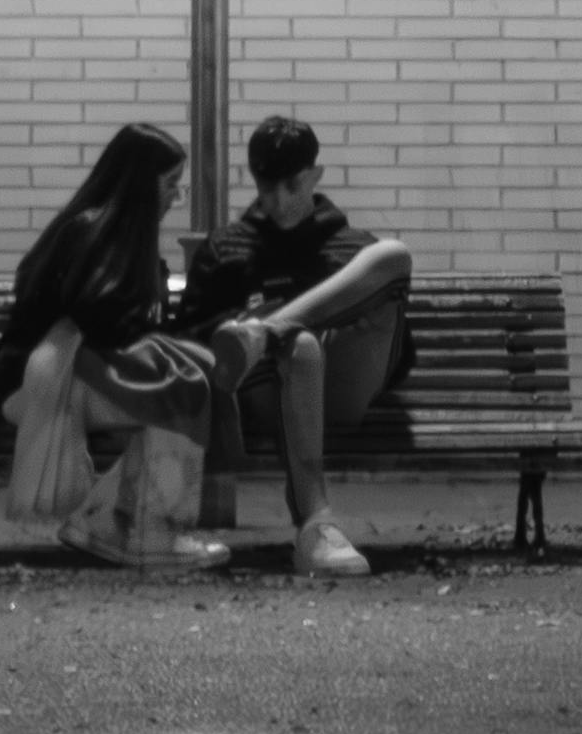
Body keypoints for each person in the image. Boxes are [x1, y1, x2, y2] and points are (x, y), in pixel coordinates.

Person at [0, 122, 269, 574]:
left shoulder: (98, 228)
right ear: (140, 183)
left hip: (55, 373)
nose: (177, 196)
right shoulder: (96, 233)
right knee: (177, 393)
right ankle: (150, 531)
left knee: (183, 385)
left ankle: (107, 521)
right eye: (171, 184)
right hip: (44, 383)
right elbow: (106, 321)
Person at [178, 113, 415, 579]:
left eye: (293, 185)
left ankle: (267, 331)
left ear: (316, 176)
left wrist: (273, 323)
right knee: (301, 346)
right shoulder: (227, 247)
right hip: (264, 391)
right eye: (267, 189)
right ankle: (315, 527)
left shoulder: (350, 248)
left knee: (393, 256)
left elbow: (398, 356)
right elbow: (192, 340)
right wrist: (255, 329)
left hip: (343, 389)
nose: (279, 201)